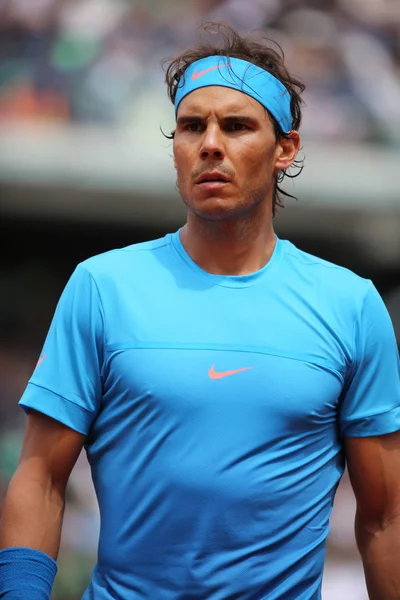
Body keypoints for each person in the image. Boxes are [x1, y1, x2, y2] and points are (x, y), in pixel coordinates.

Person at [0, 21, 400, 600]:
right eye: (192, 127)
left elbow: (385, 516)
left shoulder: (351, 304)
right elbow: (38, 477)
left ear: (285, 148)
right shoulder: (102, 285)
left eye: (237, 126)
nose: (210, 143)